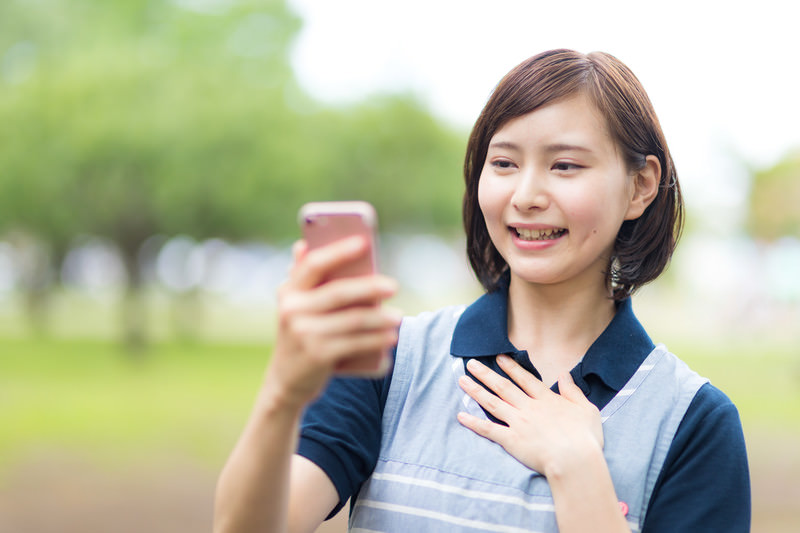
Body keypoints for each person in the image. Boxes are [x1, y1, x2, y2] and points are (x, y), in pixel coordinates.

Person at [213, 49, 750, 533]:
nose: (526, 195)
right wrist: (283, 392)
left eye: (564, 165)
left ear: (641, 187)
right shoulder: (393, 362)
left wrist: (579, 472)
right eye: (504, 163)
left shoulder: (694, 423)